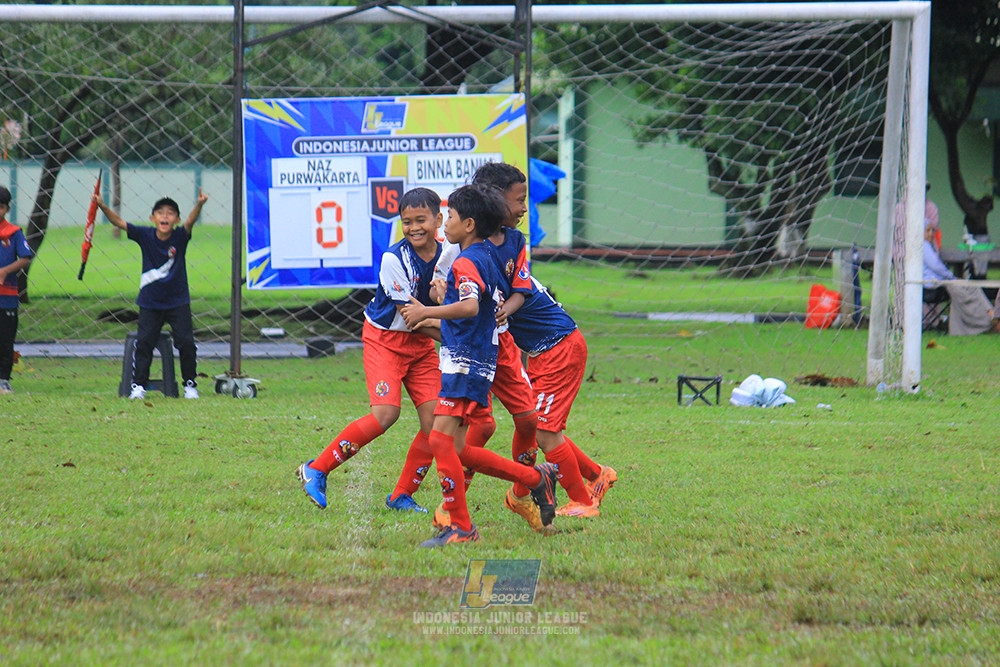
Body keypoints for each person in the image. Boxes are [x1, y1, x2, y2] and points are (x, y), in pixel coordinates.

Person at [400, 183, 559, 548]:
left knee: (440, 440)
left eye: (451, 217)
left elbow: (470, 308)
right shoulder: (486, 255)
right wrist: (430, 322)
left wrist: (427, 310)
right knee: (455, 448)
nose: (445, 225)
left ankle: (461, 526)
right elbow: (475, 315)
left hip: (466, 363)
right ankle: (535, 479)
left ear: (469, 224)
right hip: (474, 358)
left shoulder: (467, 261)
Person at [295, 188, 445, 513]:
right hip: (385, 341)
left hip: (420, 345)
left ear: (439, 219)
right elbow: (413, 316)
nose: (414, 227)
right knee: (385, 414)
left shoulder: (449, 256)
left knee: (436, 422)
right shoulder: (394, 258)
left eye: (421, 220)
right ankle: (316, 469)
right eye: (407, 222)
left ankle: (401, 495)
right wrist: (457, 338)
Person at [93, 190, 207, 398]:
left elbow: (190, 222)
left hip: (177, 301)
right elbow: (118, 221)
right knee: (144, 342)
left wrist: (199, 204)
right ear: (153, 218)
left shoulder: (180, 237)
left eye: (171, 213)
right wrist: (101, 205)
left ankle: (190, 385)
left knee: (186, 342)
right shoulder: (145, 235)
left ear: (177, 219)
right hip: (150, 302)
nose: (165, 217)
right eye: (160, 213)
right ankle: (138, 386)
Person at [922, 217, 994, 336]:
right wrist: (952, 277)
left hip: (940, 283)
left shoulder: (928, 246)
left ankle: (990, 314)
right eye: (927, 231)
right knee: (966, 288)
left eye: (932, 230)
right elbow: (936, 266)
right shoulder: (924, 246)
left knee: (971, 286)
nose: (931, 234)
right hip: (933, 286)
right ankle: (986, 318)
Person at [0, 186, 33, 395]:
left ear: (7, 208)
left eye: (0, 207)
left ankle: (3, 379)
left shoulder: (14, 233)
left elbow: (25, 259)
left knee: (5, 339)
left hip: (7, 298)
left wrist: (4, 271)